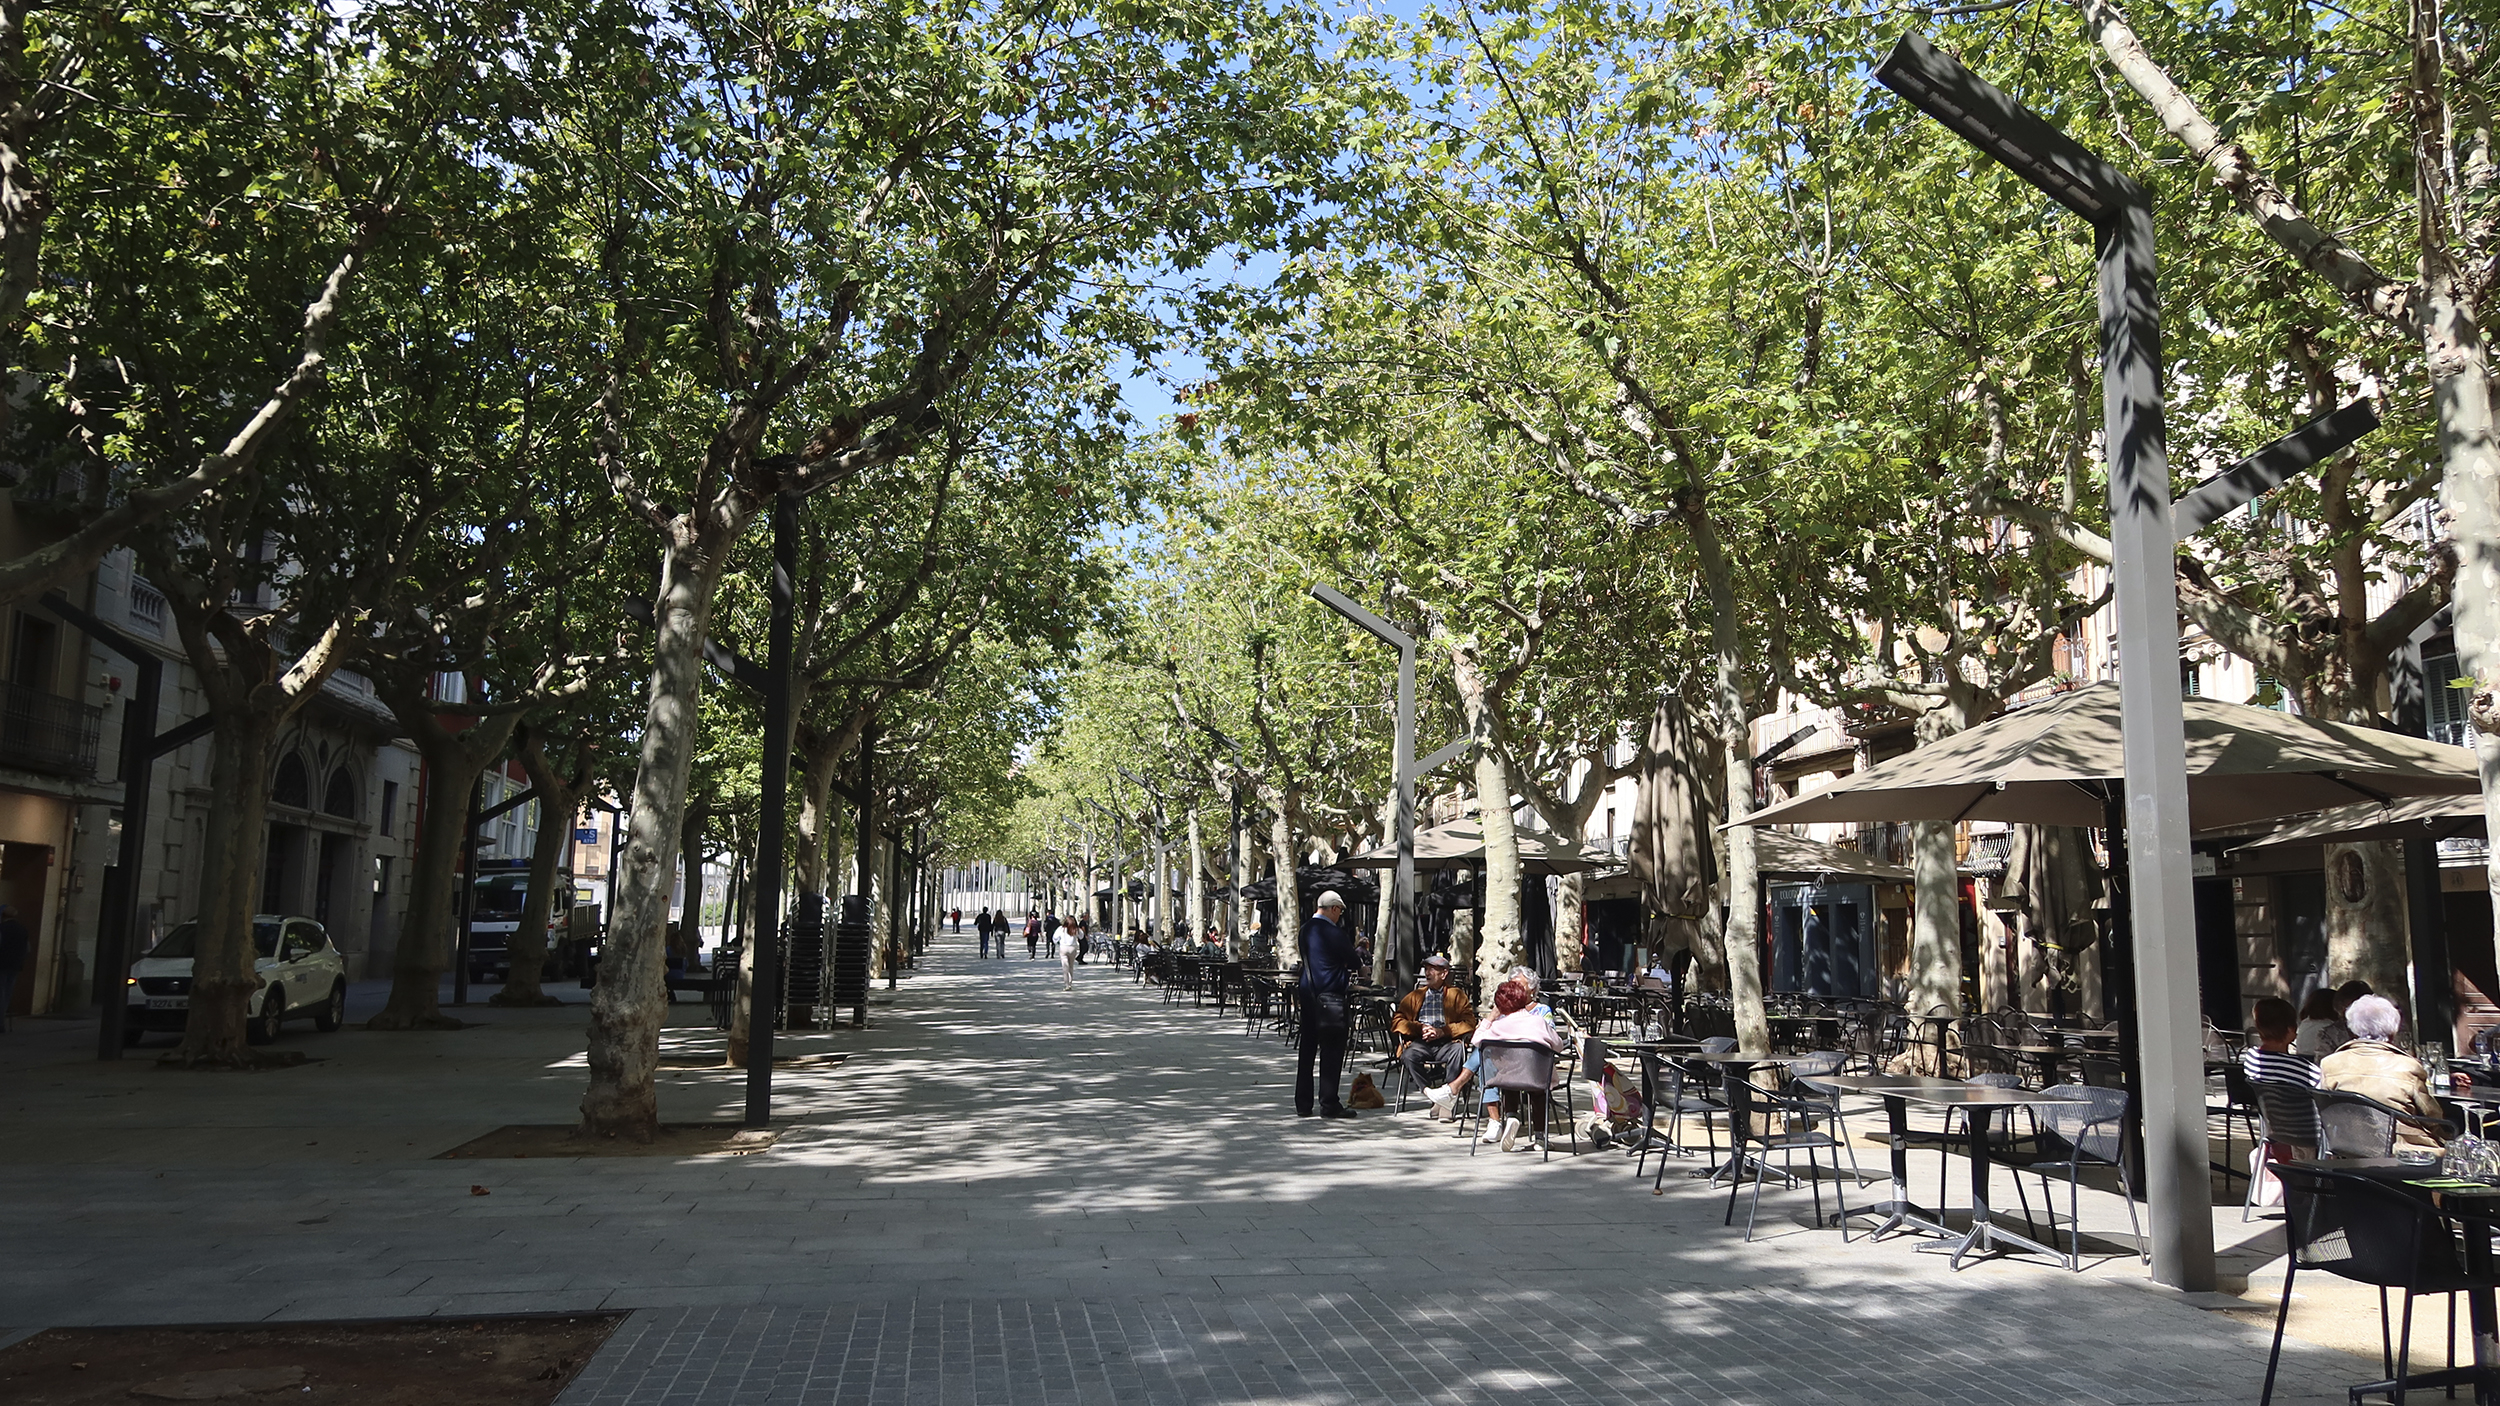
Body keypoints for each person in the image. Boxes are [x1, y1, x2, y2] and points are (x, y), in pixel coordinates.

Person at [2322, 994, 2447, 1147]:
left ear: (2352, 1029)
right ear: (2393, 1031)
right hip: (2405, 1151)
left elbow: (2328, 1111)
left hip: (2350, 1147)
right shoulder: (2407, 1066)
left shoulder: (2330, 1063)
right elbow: (2433, 1116)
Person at [1473, 976, 1567, 1151]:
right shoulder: (1539, 1022)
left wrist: (1490, 1018)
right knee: (1539, 1091)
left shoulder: (1498, 1026)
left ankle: (1511, 1116)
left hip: (1507, 1078)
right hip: (1538, 1078)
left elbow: (1476, 1040)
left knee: (1510, 1077)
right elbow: (1559, 1046)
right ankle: (1540, 1137)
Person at [1295, 891, 1359, 1120]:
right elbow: (1354, 961)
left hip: (1308, 994)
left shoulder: (1304, 930)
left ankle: (1303, 1103)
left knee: (1307, 1049)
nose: (1340, 916)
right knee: (1332, 1051)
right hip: (1330, 997)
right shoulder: (1333, 932)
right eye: (1339, 911)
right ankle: (1328, 1102)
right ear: (1333, 908)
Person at [2243, 996, 2322, 1179]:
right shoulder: (2305, 1069)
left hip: (2276, 1132)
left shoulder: (2252, 1059)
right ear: (2290, 1030)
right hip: (2309, 1134)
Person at [1399, 955, 1477, 1120]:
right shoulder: (1415, 995)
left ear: (1444, 974)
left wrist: (1444, 1031)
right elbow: (1398, 1020)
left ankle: (1446, 1098)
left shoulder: (1457, 995)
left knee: (1458, 1050)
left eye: (1432, 969)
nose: (1427, 973)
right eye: (1426, 969)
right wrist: (1419, 1029)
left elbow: (1470, 1022)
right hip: (1422, 1042)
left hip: (1447, 1042)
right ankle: (1431, 1094)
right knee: (1408, 1055)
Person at [0, 903, 27, 1034]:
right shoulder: (22, 930)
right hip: (15, 965)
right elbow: (27, 949)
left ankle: (0, 1023)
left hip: (1, 964)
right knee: (7, 993)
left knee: (1, 993)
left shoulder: (2, 929)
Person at [1057, 919, 1082, 990]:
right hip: (1073, 948)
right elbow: (1082, 936)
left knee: (1065, 967)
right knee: (1071, 966)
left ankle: (1066, 984)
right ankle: (1070, 983)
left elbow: (1055, 937)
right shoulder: (1076, 929)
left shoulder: (1061, 929)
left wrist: (1058, 941)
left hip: (1063, 948)